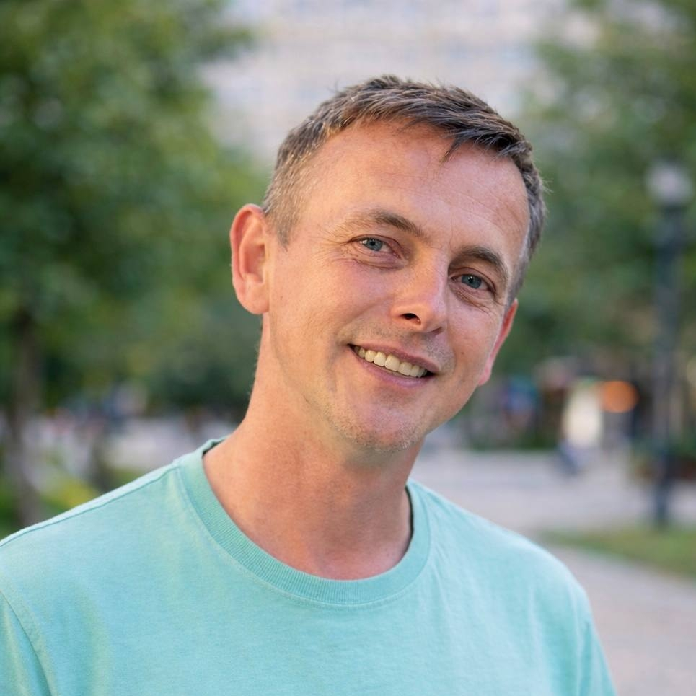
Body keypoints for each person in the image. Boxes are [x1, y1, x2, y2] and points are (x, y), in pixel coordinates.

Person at [0, 75, 616, 695]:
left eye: (474, 280)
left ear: (498, 337)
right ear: (257, 261)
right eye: (376, 244)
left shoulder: (544, 617)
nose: (427, 307)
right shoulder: (35, 610)